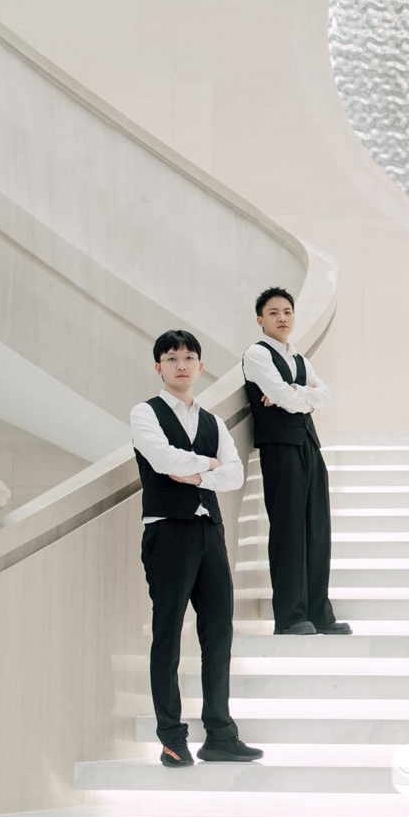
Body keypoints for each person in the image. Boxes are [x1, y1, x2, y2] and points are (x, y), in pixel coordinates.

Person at [130, 329, 262, 767]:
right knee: (168, 635)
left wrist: (199, 474)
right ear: (159, 367)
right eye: (172, 358)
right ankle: (172, 738)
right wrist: (210, 464)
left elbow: (236, 475)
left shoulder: (213, 421)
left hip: (210, 531)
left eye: (189, 357)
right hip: (168, 531)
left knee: (219, 634)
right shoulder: (145, 413)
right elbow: (164, 460)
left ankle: (220, 735)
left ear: (201, 366)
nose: (182, 365)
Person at [242, 287, 351, 636]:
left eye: (287, 311)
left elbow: (325, 396)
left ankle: (319, 613)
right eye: (273, 312)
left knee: (317, 529)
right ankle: (290, 617)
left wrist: (294, 394)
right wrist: (300, 396)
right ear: (260, 320)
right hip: (279, 447)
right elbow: (282, 396)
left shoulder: (300, 359)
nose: (282, 318)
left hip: (308, 444)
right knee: (288, 530)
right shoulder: (256, 355)